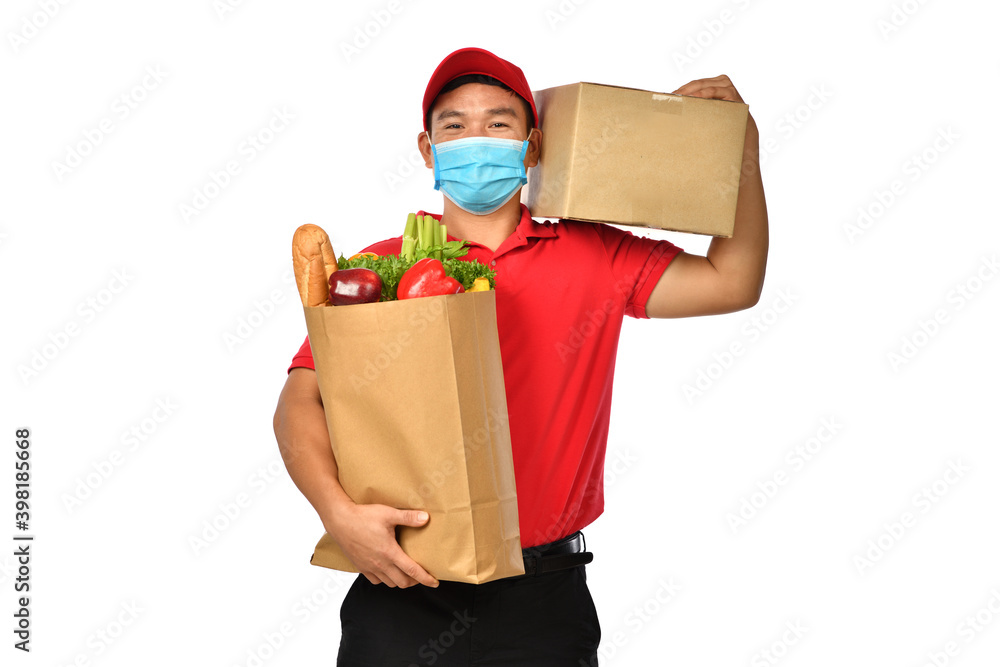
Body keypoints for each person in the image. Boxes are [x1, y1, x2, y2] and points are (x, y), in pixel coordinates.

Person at [273, 47, 768, 666]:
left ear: (532, 146)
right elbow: (299, 401)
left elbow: (733, 281)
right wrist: (338, 515)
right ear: (427, 151)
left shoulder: (597, 254)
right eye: (453, 126)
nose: (475, 138)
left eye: (499, 123)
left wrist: (738, 152)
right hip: (401, 582)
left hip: (544, 599)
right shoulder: (379, 265)